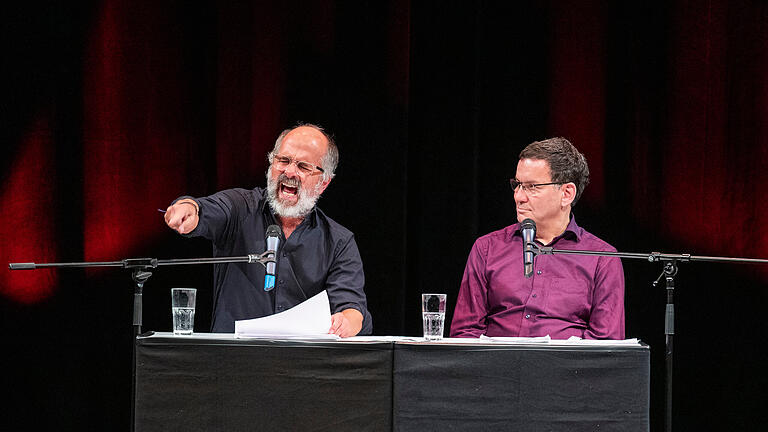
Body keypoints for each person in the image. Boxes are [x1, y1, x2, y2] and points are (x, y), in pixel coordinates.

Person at [163, 124, 372, 337]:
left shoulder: (339, 241)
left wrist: (346, 322)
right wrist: (188, 208)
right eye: (283, 161)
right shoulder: (240, 208)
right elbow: (205, 208)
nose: (290, 171)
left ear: (323, 182)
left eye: (303, 166)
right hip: (231, 362)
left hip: (300, 365)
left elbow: (352, 308)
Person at [450, 137, 624, 339]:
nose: (519, 196)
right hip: (496, 368)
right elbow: (465, 333)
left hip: (565, 370)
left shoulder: (602, 258)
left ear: (566, 193)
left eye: (532, 187)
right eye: (518, 185)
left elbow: (606, 346)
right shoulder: (487, 248)